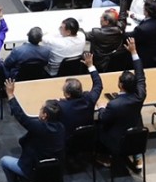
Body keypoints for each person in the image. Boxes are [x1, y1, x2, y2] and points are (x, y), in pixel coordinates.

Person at [1, 79, 65, 182]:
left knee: (4, 161)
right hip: (54, 172)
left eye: (41, 109)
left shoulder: (39, 128)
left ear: (44, 115)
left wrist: (10, 94)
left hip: (34, 170)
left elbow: (21, 117)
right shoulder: (61, 128)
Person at [95, 38, 146, 168]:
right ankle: (137, 155)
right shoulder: (140, 95)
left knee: (98, 126)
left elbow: (103, 117)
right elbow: (140, 74)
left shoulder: (114, 105)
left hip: (117, 139)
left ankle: (106, 157)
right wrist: (133, 52)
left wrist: (101, 108)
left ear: (120, 85)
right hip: (134, 131)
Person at [56, 52, 102, 139]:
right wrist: (90, 66)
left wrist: (60, 101)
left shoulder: (61, 106)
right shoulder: (90, 98)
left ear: (68, 95)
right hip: (87, 137)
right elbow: (98, 84)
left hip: (67, 139)